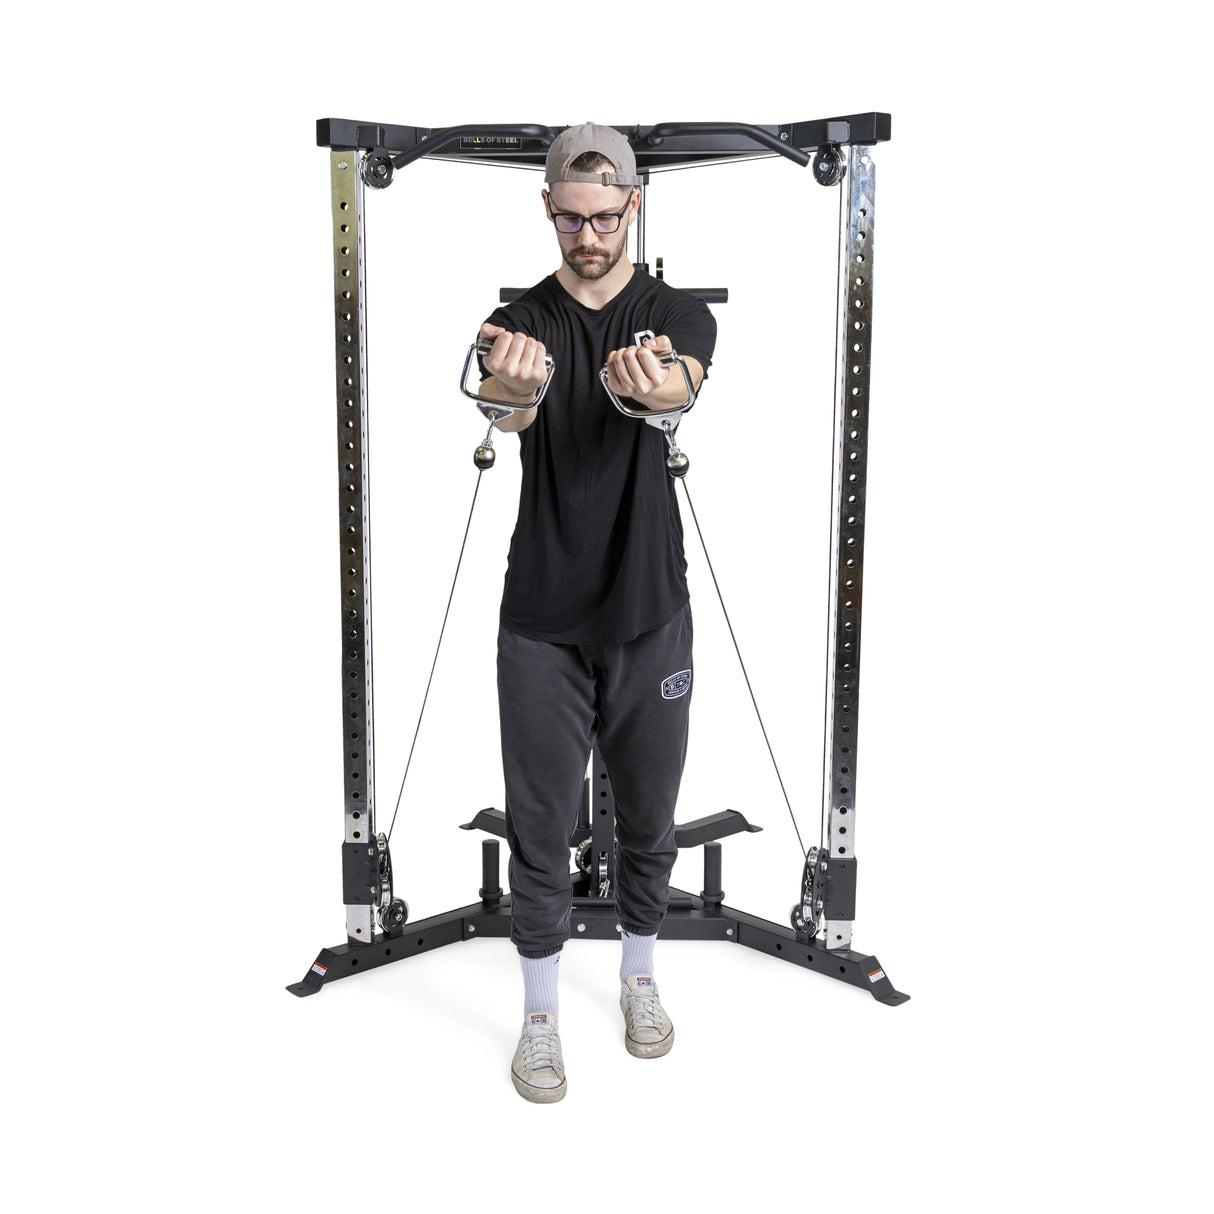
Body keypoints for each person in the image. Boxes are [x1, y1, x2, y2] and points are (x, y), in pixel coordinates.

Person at [476, 123, 717, 1103]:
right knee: (540, 821)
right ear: (547, 208)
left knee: (648, 815)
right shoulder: (518, 321)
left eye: (603, 216)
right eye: (570, 218)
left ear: (631, 204)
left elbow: (682, 386)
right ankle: (539, 1013)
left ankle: (637, 976)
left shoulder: (676, 312)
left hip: (648, 603)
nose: (586, 235)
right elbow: (501, 400)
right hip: (540, 612)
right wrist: (507, 390)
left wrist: (653, 387)